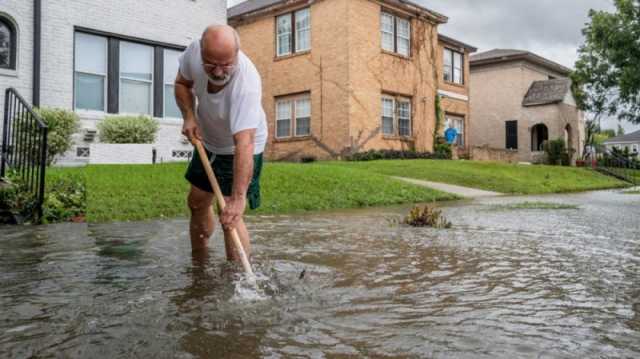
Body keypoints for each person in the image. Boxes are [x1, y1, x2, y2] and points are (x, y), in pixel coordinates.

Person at [174, 25, 268, 261]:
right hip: (208, 138)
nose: (217, 71)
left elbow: (244, 143)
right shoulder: (194, 51)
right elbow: (182, 83)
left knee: (228, 213)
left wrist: (238, 200)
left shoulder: (246, 84)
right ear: (202, 51)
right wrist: (189, 116)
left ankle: (236, 280)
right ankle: (199, 263)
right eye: (210, 64)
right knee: (196, 202)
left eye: (226, 64)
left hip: (241, 146)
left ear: (237, 53)